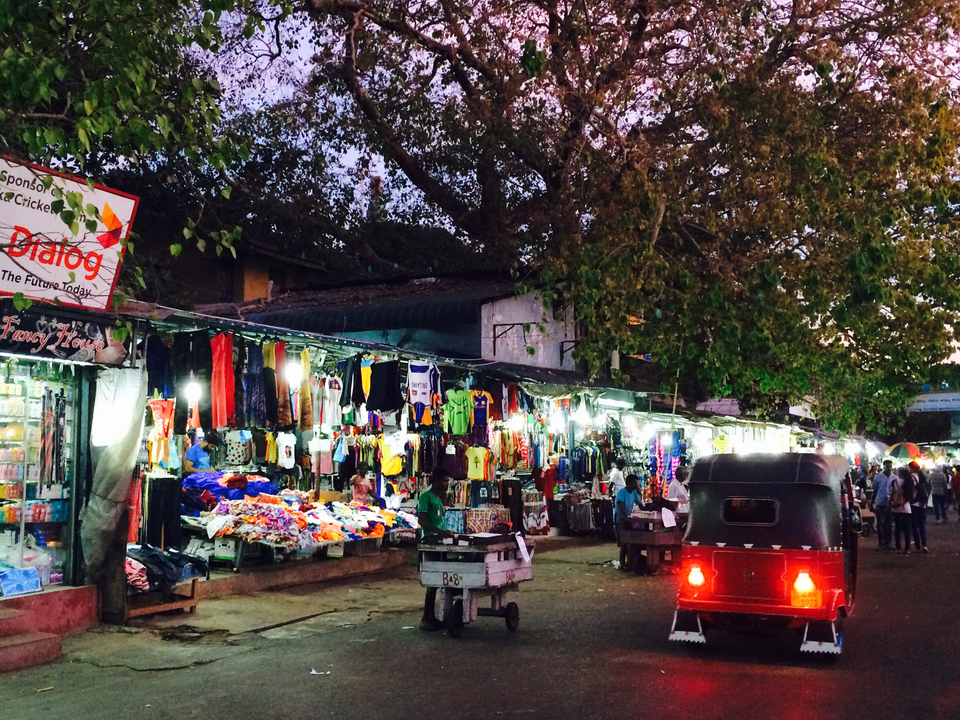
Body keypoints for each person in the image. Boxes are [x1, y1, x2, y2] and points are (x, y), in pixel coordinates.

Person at [417, 468, 460, 631]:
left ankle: (431, 617)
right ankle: (425, 618)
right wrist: (438, 532)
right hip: (430, 541)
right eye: (444, 481)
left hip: (440, 541)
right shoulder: (425, 497)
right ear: (435, 481)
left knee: (436, 581)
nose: (447, 484)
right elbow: (421, 520)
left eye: (448, 482)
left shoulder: (438, 499)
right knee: (431, 581)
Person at [615, 474, 642, 571]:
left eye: (637, 483)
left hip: (628, 519)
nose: (636, 484)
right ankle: (622, 564)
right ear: (629, 483)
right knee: (624, 542)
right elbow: (619, 504)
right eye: (634, 483)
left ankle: (630, 563)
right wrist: (624, 516)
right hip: (620, 520)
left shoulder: (634, 493)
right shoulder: (622, 492)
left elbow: (640, 503)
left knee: (630, 542)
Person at [871, 460, 894, 550]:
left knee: (888, 524)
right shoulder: (878, 477)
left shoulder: (894, 477)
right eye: (887, 466)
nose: (889, 468)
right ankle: (881, 543)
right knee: (880, 524)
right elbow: (875, 490)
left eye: (890, 466)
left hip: (890, 504)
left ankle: (888, 543)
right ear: (884, 466)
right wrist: (871, 503)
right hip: (880, 503)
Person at [891, 466, 914, 554]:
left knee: (897, 527)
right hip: (906, 507)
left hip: (896, 506)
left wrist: (890, 503)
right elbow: (910, 496)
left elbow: (892, 493)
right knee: (907, 528)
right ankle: (907, 548)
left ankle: (898, 546)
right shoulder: (909, 482)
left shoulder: (895, 481)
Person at [908, 462, 930, 553]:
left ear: (911, 468)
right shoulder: (923, 477)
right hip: (922, 503)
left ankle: (917, 545)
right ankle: (924, 545)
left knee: (914, 525)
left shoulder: (910, 478)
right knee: (922, 525)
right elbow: (928, 488)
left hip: (913, 504)